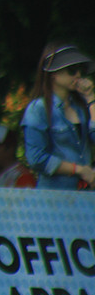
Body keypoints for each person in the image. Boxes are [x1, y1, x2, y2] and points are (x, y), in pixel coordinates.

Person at [21, 43, 95, 190]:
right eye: (72, 70)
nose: (78, 75)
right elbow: (36, 158)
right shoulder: (38, 109)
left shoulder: (81, 107)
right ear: (54, 74)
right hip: (54, 197)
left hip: (86, 195)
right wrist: (78, 170)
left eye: (80, 70)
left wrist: (91, 99)